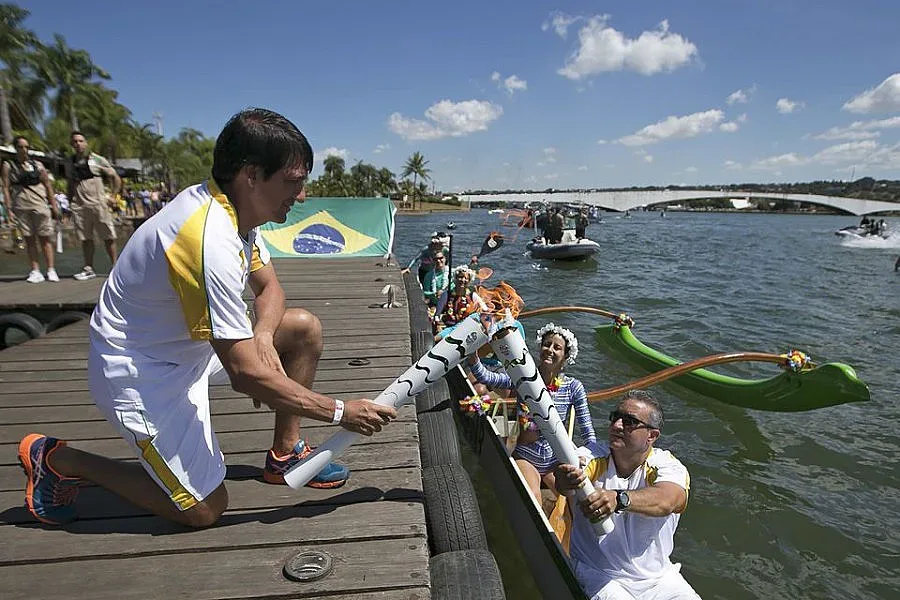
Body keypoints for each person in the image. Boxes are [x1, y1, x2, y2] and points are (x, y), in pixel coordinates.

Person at [17, 108, 397, 528]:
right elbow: (245, 376)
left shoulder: (235, 209)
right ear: (251, 175)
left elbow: (269, 288)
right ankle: (60, 458)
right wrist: (342, 413)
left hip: (189, 348)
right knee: (201, 509)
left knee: (302, 327)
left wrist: (266, 337)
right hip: (141, 370)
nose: (302, 194)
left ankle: (285, 454)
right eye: (293, 182)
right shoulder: (205, 237)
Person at [551, 390, 699, 600]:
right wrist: (565, 480)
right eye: (616, 417)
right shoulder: (591, 455)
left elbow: (667, 500)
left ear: (652, 436)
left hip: (659, 581)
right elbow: (570, 476)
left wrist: (618, 499)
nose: (617, 425)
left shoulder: (668, 466)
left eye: (629, 421)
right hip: (599, 574)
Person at [467, 322, 595, 506]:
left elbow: (587, 431)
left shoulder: (573, 387)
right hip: (527, 457)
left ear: (565, 356)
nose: (550, 350)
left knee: (579, 502)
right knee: (534, 499)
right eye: (547, 344)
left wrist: (588, 457)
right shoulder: (523, 377)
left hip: (555, 461)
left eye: (557, 347)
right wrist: (473, 357)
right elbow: (488, 378)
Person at [1, 136, 59, 283]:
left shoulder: (37, 165)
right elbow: (6, 188)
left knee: (45, 238)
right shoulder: (9, 166)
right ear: (16, 148)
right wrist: (9, 209)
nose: (24, 150)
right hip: (21, 205)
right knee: (29, 239)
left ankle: (51, 269)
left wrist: (54, 205)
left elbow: (48, 185)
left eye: (26, 147)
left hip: (39, 204)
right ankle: (35, 270)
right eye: (21, 147)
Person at [66, 131, 122, 280]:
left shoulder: (97, 160)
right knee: (85, 238)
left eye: (81, 141)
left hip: (98, 204)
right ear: (72, 144)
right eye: (75, 142)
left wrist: (113, 196)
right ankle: (88, 268)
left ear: (86, 143)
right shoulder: (69, 163)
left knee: (108, 237)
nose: (78, 144)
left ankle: (115, 268)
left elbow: (115, 177)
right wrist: (69, 202)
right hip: (80, 205)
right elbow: (70, 184)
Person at [433, 264, 478, 335]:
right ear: (455, 279)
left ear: (469, 281)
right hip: (449, 327)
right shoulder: (446, 295)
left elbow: (484, 309)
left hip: (466, 329)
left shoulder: (472, 295)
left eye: (466, 278)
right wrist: (438, 325)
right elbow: (437, 314)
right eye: (460, 277)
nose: (463, 280)